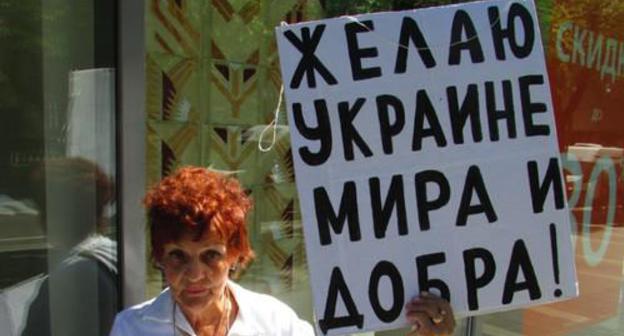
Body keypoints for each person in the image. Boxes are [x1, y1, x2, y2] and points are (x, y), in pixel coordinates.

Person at [110, 166, 454, 336]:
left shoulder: (274, 323)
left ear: (235, 255)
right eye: (178, 256)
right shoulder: (132, 328)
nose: (195, 274)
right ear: (159, 257)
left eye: (211, 255)